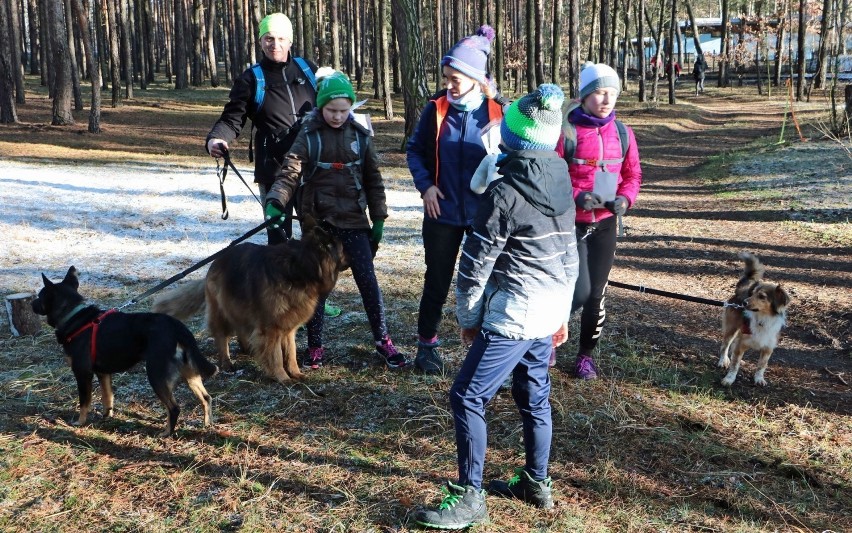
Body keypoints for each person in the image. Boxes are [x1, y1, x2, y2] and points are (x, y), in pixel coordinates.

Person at [413, 84, 578, 530]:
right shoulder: (559, 176)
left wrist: (469, 319)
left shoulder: (504, 194)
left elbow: (473, 268)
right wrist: (561, 313)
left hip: (514, 314)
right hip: (546, 312)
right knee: (534, 396)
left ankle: (470, 496)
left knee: (467, 395)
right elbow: (569, 254)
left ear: (512, 137)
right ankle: (536, 482)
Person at [263, 70, 409, 370]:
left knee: (368, 281)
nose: (338, 116)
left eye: (344, 110)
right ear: (321, 106)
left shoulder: (360, 135)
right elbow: (291, 170)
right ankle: (315, 345)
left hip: (355, 220)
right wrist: (276, 200)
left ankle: (383, 340)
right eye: (332, 110)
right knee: (318, 286)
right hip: (319, 224)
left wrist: (378, 219)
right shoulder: (309, 134)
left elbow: (373, 180)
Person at [205, 13, 340, 318]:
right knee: (279, 240)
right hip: (274, 172)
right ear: (260, 41)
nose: (274, 44)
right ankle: (282, 303)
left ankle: (316, 299)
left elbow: (329, 104)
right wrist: (217, 139)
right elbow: (232, 118)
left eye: (280, 38)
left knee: (316, 237)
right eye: (268, 38)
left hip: (311, 169)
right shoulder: (251, 79)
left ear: (290, 40)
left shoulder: (307, 69)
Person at [406, 24, 506, 375]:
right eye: (446, 77)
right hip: (442, 212)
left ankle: (489, 346)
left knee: (488, 279)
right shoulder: (435, 110)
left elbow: (513, 158)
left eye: (455, 79)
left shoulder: (498, 112)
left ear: (476, 78)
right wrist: (426, 186)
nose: (448, 85)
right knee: (437, 279)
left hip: (485, 215)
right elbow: (415, 151)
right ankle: (426, 345)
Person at [561, 62, 642, 380]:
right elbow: (553, 175)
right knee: (577, 291)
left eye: (612, 92)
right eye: (598, 92)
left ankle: (584, 357)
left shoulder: (623, 133)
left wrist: (625, 199)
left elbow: (633, 174)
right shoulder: (567, 131)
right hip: (572, 223)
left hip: (606, 223)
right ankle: (547, 337)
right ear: (583, 95)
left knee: (596, 292)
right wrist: (577, 195)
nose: (606, 99)